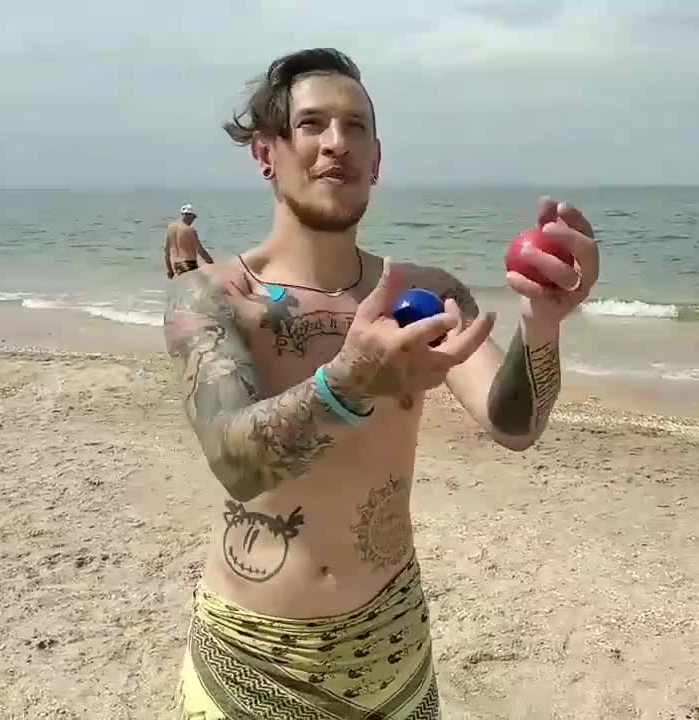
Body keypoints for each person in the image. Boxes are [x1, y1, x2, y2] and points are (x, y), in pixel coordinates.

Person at [163, 48, 599, 719]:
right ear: (266, 152)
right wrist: (350, 378)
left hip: (393, 655)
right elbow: (235, 459)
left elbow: (514, 425)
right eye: (311, 125)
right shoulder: (216, 299)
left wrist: (542, 323)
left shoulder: (425, 294)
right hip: (251, 662)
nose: (337, 142)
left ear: (377, 160)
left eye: (355, 127)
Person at [165, 203, 214, 278]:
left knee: (185, 288)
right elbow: (200, 250)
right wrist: (212, 264)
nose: (193, 220)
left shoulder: (170, 228)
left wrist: (170, 270)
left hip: (176, 266)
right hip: (189, 265)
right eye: (193, 217)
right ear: (189, 215)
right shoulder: (190, 230)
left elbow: (166, 252)